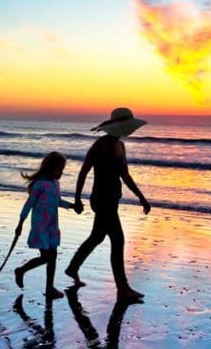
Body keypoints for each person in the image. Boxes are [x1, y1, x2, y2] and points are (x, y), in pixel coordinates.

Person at [65, 107, 151, 300]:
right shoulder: (101, 145)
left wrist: (141, 197)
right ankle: (123, 288)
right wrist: (77, 198)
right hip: (101, 199)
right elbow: (84, 170)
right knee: (118, 240)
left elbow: (125, 175)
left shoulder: (120, 145)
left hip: (112, 199)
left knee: (97, 237)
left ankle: (72, 268)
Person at [15, 151, 72, 300]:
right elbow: (29, 204)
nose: (61, 173)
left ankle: (49, 288)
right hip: (40, 226)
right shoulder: (40, 184)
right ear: (51, 167)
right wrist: (20, 222)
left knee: (52, 257)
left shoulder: (55, 184)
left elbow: (57, 201)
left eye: (63, 170)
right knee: (46, 257)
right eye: (60, 169)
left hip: (52, 226)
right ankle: (21, 270)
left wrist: (72, 206)